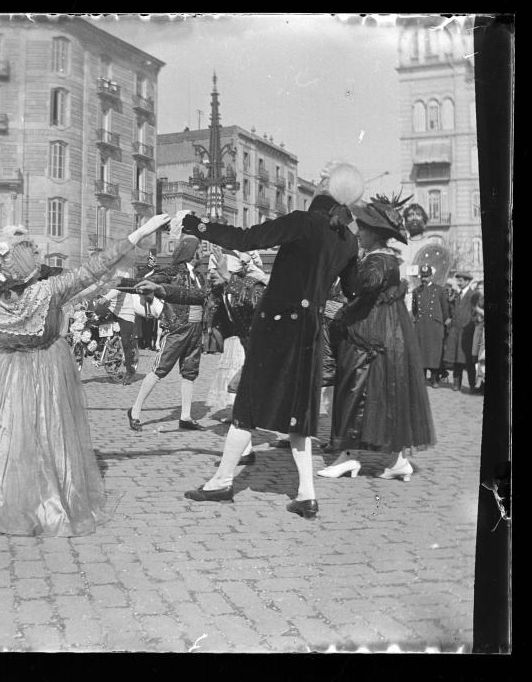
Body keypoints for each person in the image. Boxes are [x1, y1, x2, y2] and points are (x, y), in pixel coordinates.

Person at [0, 214, 172, 537]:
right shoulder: (47, 291)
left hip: (9, 374)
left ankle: (1, 499)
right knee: (49, 432)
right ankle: (48, 501)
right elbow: (93, 268)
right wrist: (137, 234)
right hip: (47, 369)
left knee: (9, 434)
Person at [179, 190, 360, 520]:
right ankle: (306, 495)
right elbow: (352, 288)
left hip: (277, 324)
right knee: (299, 412)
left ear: (314, 207)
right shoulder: (348, 240)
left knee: (247, 405)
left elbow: (247, 238)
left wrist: (198, 225)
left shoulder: (301, 222)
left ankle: (221, 481)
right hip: (311, 329)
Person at [319, 197, 435, 481]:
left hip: (368, 335)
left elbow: (362, 288)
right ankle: (396, 461)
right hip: (385, 332)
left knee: (354, 389)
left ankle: (348, 457)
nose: (359, 233)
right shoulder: (386, 259)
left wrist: (347, 265)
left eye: (364, 229)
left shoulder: (377, 260)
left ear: (374, 233)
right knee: (384, 392)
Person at [126, 236, 212, 431]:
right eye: (198, 250)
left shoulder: (199, 276)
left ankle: (186, 416)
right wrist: (146, 286)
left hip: (195, 328)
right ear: (190, 253)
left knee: (190, 371)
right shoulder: (173, 271)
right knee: (159, 369)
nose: (201, 254)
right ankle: (135, 410)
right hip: (176, 328)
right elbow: (149, 281)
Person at [203, 251, 268, 419]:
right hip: (250, 347)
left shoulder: (252, 285)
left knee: (251, 385)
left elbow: (256, 301)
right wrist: (161, 290)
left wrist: (228, 278)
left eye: (215, 269)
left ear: (230, 270)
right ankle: (244, 418)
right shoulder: (223, 289)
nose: (210, 273)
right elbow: (195, 297)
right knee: (239, 385)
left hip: (268, 348)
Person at [411, 265, 452, 387]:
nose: (424, 279)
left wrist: (445, 322)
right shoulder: (416, 291)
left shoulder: (440, 290)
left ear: (431, 276)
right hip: (421, 326)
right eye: (422, 277)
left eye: (426, 276)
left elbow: (445, 309)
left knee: (434, 352)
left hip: (435, 326)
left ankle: (434, 380)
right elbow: (414, 310)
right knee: (422, 352)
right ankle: (422, 379)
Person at [446, 272, 481, 392]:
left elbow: (477, 313)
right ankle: (456, 383)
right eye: (458, 281)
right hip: (455, 330)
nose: (458, 283)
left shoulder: (474, 295)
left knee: (468, 360)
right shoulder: (455, 295)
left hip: (468, 331)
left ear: (467, 281)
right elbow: (451, 312)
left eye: (460, 281)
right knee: (456, 358)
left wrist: (472, 322)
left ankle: (472, 385)